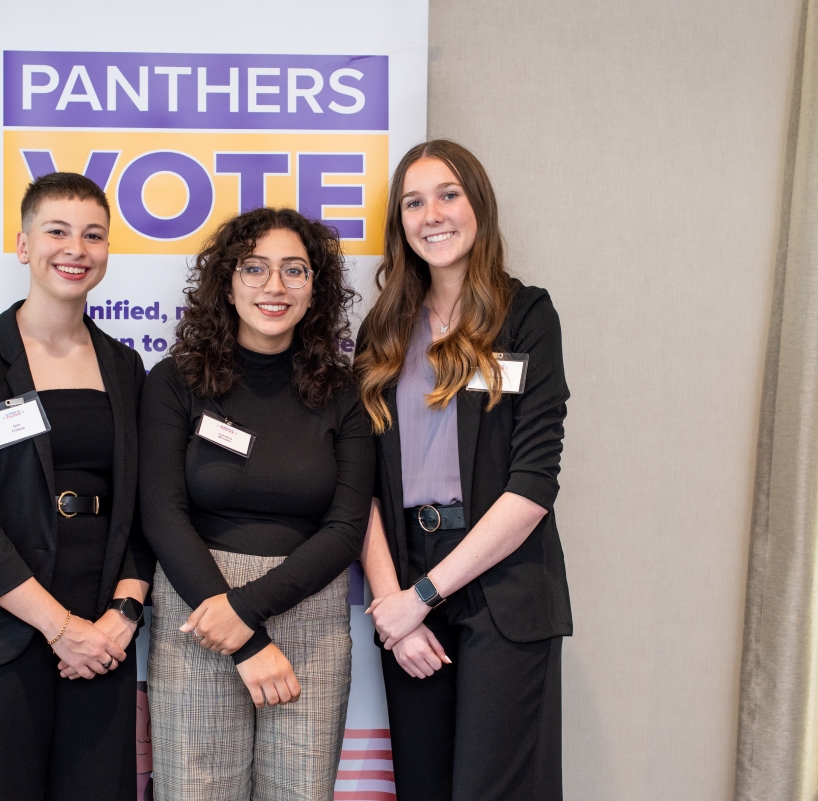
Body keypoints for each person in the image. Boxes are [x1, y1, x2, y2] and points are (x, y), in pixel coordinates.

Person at [0, 172, 154, 801]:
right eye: (57, 231)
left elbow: (145, 506)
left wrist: (121, 617)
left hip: (102, 633)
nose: (76, 248)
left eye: (93, 235)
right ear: (23, 245)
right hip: (0, 630)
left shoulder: (125, 367)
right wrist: (58, 627)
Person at [355, 140, 573, 801]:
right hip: (406, 573)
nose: (433, 214)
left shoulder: (527, 316)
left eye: (448, 194)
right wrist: (396, 605)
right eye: (413, 202)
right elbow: (356, 481)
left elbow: (533, 485)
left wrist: (424, 594)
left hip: (502, 582)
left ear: (478, 204)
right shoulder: (383, 332)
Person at [139, 207, 374, 801]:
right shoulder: (175, 381)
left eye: (294, 270)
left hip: (308, 615)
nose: (275, 286)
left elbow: (347, 529)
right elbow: (162, 514)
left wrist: (247, 609)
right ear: (226, 281)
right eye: (255, 269)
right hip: (200, 611)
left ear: (315, 287)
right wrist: (237, 630)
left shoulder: (344, 392)